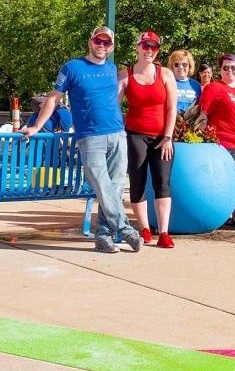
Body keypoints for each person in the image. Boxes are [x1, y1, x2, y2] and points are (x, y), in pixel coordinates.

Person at [22, 26, 144, 254]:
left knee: (115, 188)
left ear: (112, 47)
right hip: (90, 138)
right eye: (99, 41)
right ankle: (125, 229)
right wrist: (36, 126)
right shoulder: (72, 67)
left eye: (107, 43)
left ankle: (103, 237)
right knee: (103, 186)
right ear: (91, 41)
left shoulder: (111, 69)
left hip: (117, 134)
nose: (102, 46)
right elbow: (53, 98)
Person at [118, 31, 178, 248]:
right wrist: (119, 134)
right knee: (138, 181)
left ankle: (164, 232)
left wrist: (168, 137)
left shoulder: (166, 74)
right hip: (135, 134)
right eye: (145, 46)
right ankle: (144, 228)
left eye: (153, 47)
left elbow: (172, 108)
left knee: (162, 182)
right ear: (137, 47)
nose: (149, 51)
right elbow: (114, 107)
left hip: (162, 137)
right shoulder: (125, 75)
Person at [197, 53, 235, 226]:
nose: (230, 71)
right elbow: (203, 114)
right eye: (226, 68)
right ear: (220, 70)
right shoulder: (214, 88)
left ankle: (232, 211)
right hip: (223, 140)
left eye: (234, 67)